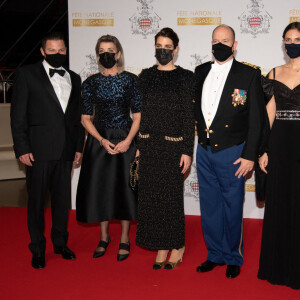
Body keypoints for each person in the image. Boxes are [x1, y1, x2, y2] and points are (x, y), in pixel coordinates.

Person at [194, 24, 265, 278]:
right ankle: (215, 254)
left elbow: (257, 120)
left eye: (225, 40)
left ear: (235, 45)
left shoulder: (248, 74)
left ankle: (234, 255)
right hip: (204, 150)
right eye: (215, 40)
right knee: (210, 205)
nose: (220, 44)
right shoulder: (200, 71)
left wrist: (249, 154)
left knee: (233, 206)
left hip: (233, 153)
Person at [10, 32, 84, 269]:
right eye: (52, 50)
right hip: (38, 151)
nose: (57, 54)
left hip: (65, 151)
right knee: (37, 202)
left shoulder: (74, 77)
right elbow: (17, 115)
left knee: (62, 201)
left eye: (61, 50)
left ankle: (60, 243)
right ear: (42, 51)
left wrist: (78, 147)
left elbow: (76, 117)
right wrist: (22, 147)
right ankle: (38, 248)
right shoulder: (26, 74)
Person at [76, 35, 141, 261]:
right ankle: (104, 237)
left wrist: (128, 142)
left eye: (110, 50)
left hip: (125, 138)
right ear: (98, 55)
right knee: (101, 188)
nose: (106, 54)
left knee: (124, 189)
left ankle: (124, 238)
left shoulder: (132, 80)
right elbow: (85, 118)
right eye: (102, 50)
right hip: (99, 141)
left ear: (118, 54)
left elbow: (138, 116)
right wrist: (101, 140)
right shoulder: (90, 82)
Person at [136, 27, 194, 270]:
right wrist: (138, 146)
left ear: (176, 50)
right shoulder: (144, 76)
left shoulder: (186, 77)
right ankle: (161, 246)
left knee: (171, 199)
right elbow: (139, 114)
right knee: (152, 199)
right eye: (159, 46)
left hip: (173, 147)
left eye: (168, 47)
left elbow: (188, 116)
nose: (163, 50)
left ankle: (177, 245)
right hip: (148, 145)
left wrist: (187, 151)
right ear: (154, 48)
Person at [257, 22, 300, 289]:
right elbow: (269, 115)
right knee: (281, 201)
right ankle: (280, 266)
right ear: (283, 43)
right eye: (288, 39)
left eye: (297, 38)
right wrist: (264, 149)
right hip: (281, 142)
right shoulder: (273, 72)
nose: (292, 43)